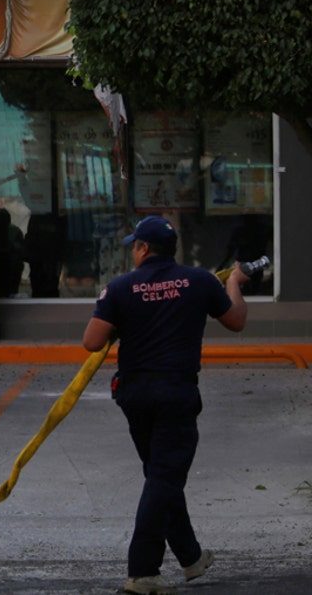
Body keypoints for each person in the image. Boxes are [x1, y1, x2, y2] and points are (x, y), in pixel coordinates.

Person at [81, 216, 248, 595]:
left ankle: (190, 558)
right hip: (176, 393)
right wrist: (235, 284)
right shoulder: (201, 281)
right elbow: (236, 320)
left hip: (135, 395)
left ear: (142, 249)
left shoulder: (120, 287)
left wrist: (128, 318)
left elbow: (92, 342)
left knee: (161, 476)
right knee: (164, 478)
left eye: (134, 246)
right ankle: (143, 572)